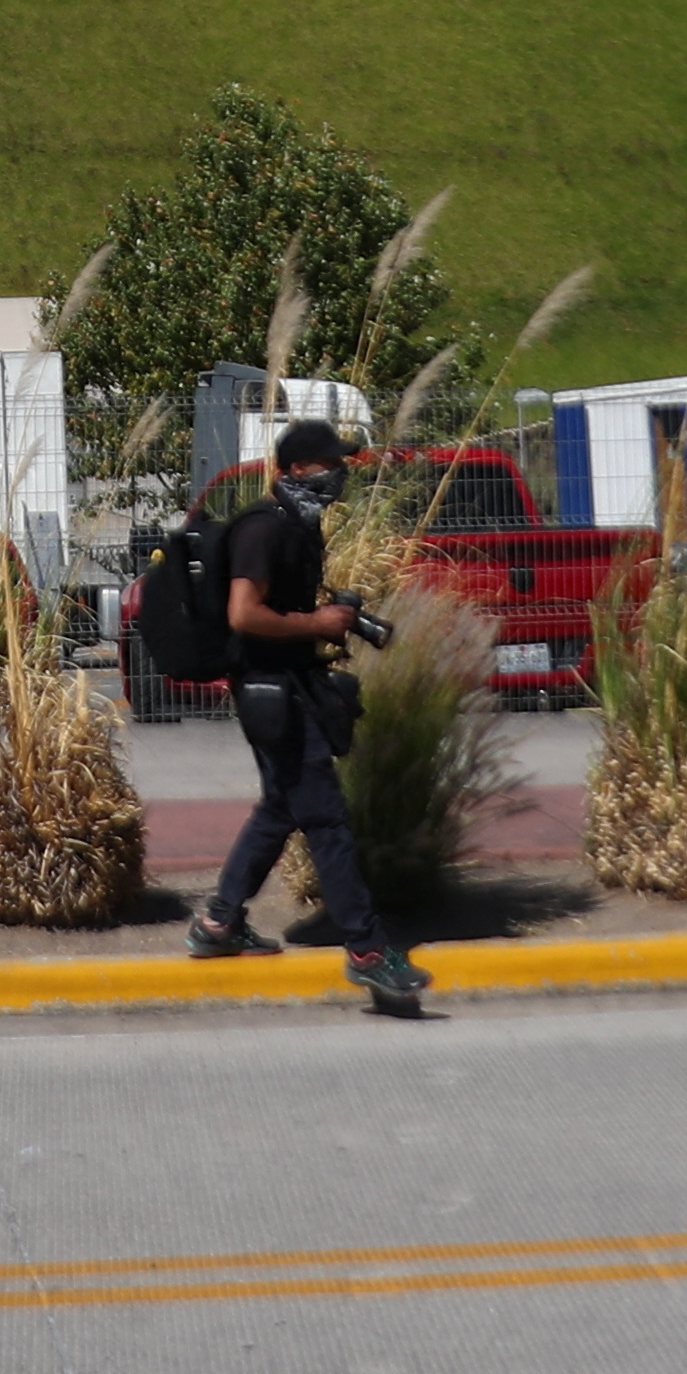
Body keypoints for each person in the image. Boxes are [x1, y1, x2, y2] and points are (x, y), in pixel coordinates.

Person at [184, 421, 430, 1014]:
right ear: (294, 470)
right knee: (326, 819)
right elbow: (244, 614)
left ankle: (219, 924)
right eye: (327, 466)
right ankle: (368, 951)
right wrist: (314, 625)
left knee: (280, 808)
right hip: (271, 690)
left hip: (287, 683)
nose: (338, 476)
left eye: (340, 466)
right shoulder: (263, 529)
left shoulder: (298, 527)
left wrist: (327, 617)